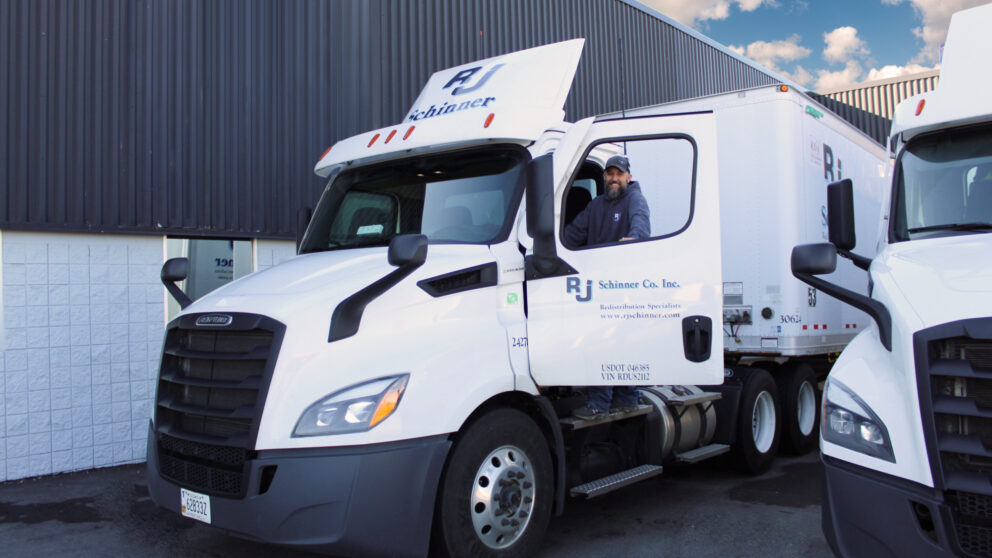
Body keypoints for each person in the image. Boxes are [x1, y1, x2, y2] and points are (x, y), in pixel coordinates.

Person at [564, 155, 650, 420]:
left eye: (619, 174)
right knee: (614, 344)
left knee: (605, 343)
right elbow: (572, 234)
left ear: (628, 177)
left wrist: (633, 239)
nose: (614, 179)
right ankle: (625, 400)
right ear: (604, 177)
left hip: (623, 286)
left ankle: (599, 404)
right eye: (609, 174)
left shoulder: (635, 200)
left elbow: (640, 225)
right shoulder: (596, 205)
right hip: (599, 286)